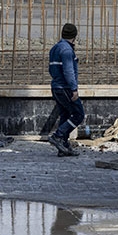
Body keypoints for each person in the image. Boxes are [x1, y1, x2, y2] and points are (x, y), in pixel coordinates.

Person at [48, 23, 85, 157]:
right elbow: (69, 71)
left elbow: (51, 69)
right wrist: (74, 89)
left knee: (65, 115)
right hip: (65, 88)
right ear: (74, 36)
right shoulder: (67, 51)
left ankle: (63, 147)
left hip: (56, 87)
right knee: (78, 114)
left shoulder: (55, 49)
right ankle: (58, 136)